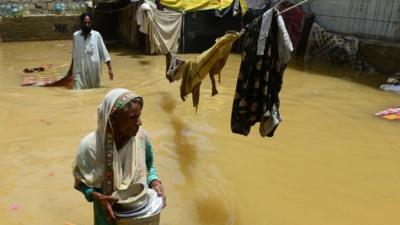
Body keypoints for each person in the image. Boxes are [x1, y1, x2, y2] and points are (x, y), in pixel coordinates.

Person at [72, 88, 166, 225]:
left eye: (139, 116)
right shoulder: (90, 147)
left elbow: (149, 165)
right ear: (113, 119)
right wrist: (97, 197)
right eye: (133, 117)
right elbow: (80, 183)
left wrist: (155, 182)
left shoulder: (142, 138)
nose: (140, 122)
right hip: (108, 216)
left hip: (140, 212)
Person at [67, 12, 114, 90]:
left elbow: (104, 53)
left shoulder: (97, 35)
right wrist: (70, 69)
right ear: (81, 23)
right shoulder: (76, 36)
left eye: (89, 23)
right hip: (79, 71)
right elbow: (74, 54)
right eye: (85, 23)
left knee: (93, 91)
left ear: (91, 23)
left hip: (93, 71)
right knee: (77, 92)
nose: (87, 25)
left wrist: (110, 69)